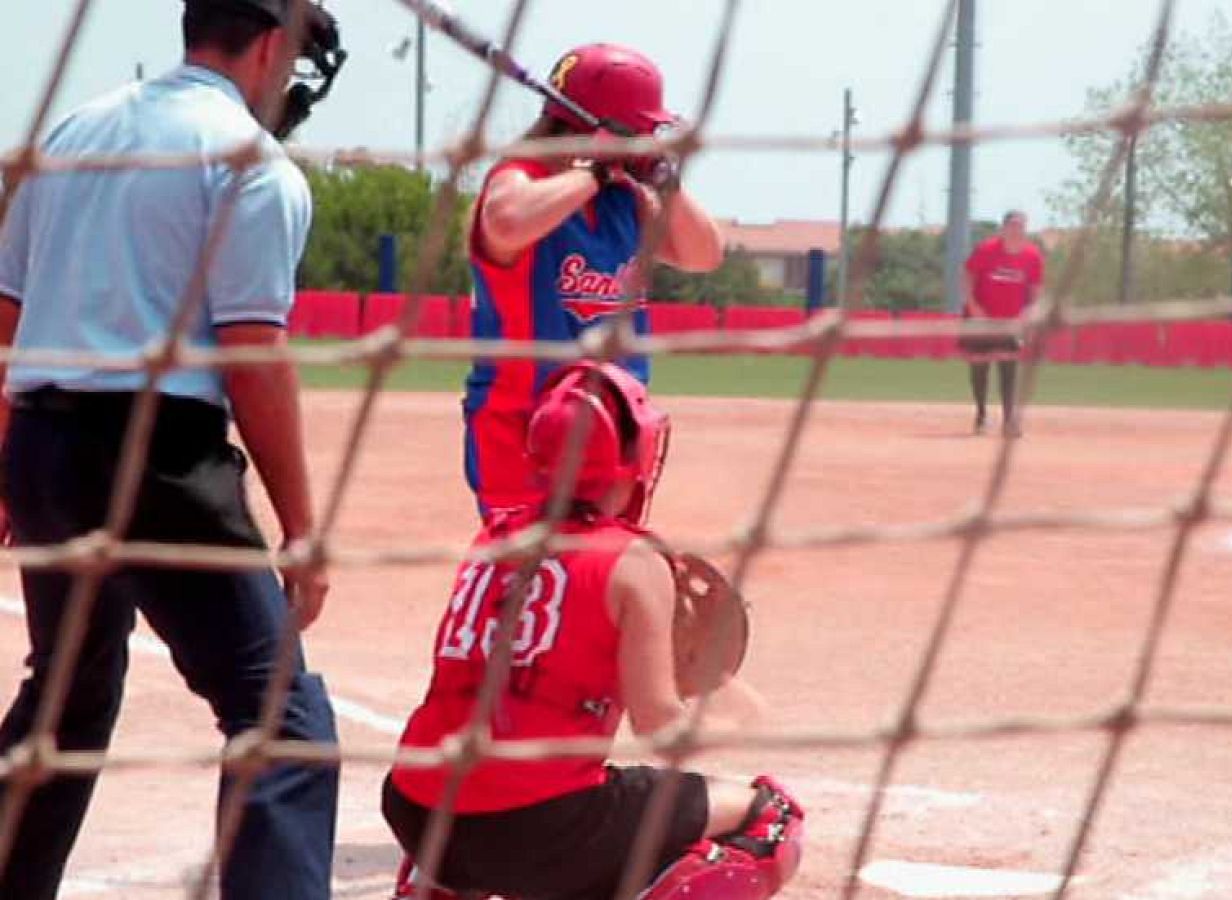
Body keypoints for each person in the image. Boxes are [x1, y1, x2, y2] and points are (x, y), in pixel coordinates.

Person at [0, 1, 345, 897]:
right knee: (280, 716)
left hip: (41, 445)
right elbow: (253, 358)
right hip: (156, 457)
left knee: (67, 698)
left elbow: (6, 319)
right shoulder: (251, 164)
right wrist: (302, 529)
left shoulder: (75, 131)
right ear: (269, 46)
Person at [385, 362, 803, 900]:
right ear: (634, 458)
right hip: (535, 829)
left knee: (496, 803)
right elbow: (660, 730)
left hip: (416, 813)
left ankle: (432, 885)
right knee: (774, 817)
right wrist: (733, 710)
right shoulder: (634, 560)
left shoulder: (493, 537)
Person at [462, 43, 725, 517]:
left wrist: (664, 182)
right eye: (640, 130)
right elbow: (505, 222)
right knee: (532, 564)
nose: (648, 139)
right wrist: (594, 171)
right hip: (524, 436)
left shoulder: (626, 199)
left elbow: (704, 253)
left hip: (610, 433)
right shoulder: (519, 177)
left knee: (598, 562)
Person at [961, 210, 1043, 437]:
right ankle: (981, 415)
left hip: (1011, 320)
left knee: (1008, 367)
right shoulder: (986, 249)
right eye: (1012, 225)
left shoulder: (1032, 255)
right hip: (982, 317)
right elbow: (967, 275)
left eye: (1020, 226)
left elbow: (1036, 288)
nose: (1016, 230)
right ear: (1004, 228)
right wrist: (972, 305)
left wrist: (1030, 312)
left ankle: (1009, 421)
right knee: (979, 365)